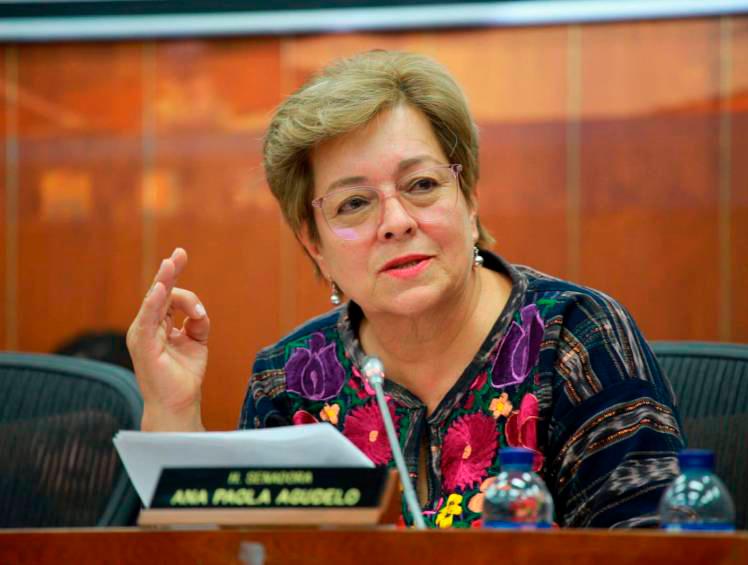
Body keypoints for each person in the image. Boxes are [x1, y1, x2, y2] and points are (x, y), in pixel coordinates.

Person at [127, 50, 684, 529]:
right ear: (314, 243)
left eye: (421, 184)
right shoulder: (290, 381)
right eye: (354, 203)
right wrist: (173, 412)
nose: (395, 221)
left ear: (469, 199)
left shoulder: (574, 339)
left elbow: (648, 552)